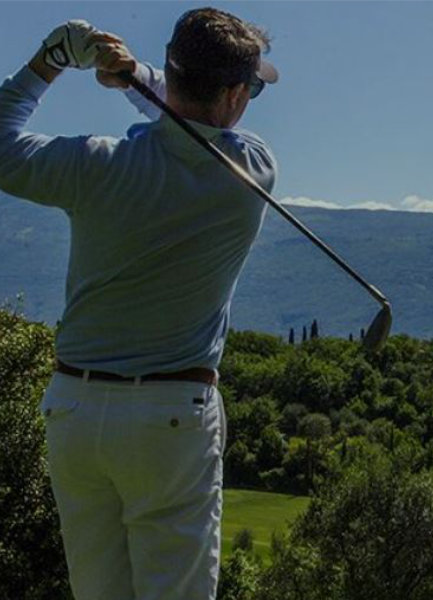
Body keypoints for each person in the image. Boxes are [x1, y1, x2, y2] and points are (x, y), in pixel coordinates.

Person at [0, 8, 277, 599]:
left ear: (173, 73)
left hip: (73, 410)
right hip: (171, 419)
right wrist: (137, 78)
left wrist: (49, 63)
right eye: (251, 88)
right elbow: (190, 127)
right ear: (233, 95)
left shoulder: (94, 164)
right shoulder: (251, 172)